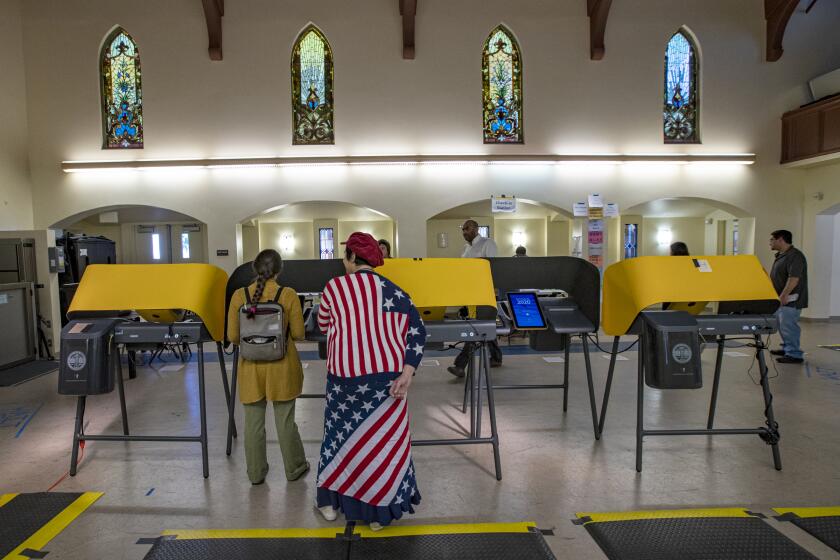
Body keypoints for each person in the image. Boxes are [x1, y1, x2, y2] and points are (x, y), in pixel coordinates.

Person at [314, 232, 426, 530]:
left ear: (352, 257)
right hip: (387, 385)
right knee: (383, 446)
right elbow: (418, 332)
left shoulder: (335, 287)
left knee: (338, 443)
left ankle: (329, 502)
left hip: (343, 383)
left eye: (345, 255)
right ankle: (378, 513)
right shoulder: (396, 292)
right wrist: (408, 372)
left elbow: (322, 324)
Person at [226, 249, 309, 485]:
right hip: (282, 367)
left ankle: (255, 474)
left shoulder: (239, 296)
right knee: (285, 421)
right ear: (279, 270)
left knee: (253, 424)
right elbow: (300, 334)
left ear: (254, 268)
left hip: (250, 368)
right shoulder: (288, 294)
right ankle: (295, 468)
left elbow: (232, 336)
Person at [447, 220, 503, 377]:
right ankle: (497, 357)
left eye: (467, 228)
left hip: (486, 293)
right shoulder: (466, 249)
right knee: (483, 326)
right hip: (471, 293)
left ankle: (460, 365)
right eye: (463, 229)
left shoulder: (488, 243)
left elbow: (493, 268)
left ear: (476, 229)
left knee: (475, 328)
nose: (464, 232)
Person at [769, 229, 808, 364]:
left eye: (772, 240)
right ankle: (788, 348)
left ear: (780, 239)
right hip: (781, 299)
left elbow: (794, 278)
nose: (770, 243)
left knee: (789, 325)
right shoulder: (782, 255)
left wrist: (784, 295)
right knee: (782, 325)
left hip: (791, 299)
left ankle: (794, 354)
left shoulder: (795, 256)